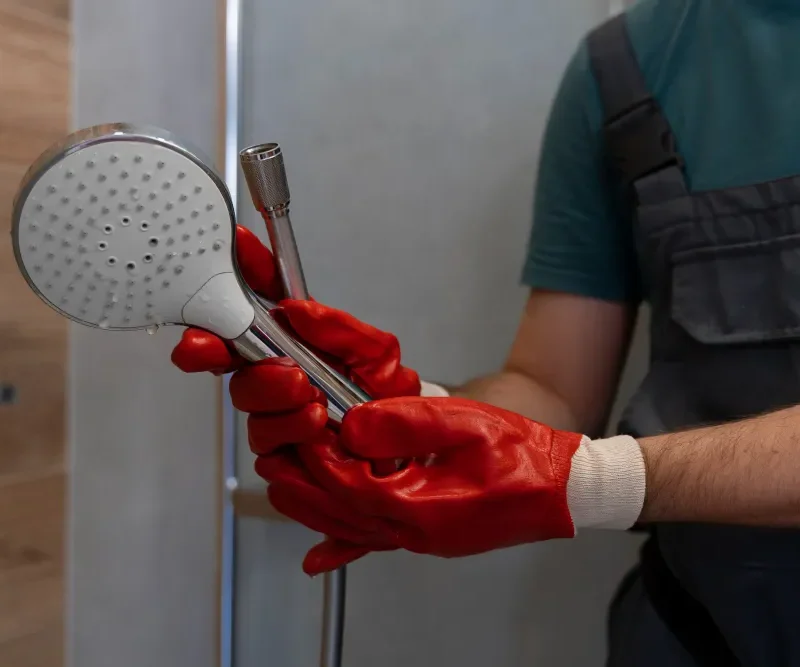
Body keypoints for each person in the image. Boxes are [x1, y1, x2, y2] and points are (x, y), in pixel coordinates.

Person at [173, 1, 800, 665]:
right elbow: (552, 390)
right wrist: (404, 417)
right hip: (696, 636)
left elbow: (577, 465)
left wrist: (595, 480)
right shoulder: (622, 68)